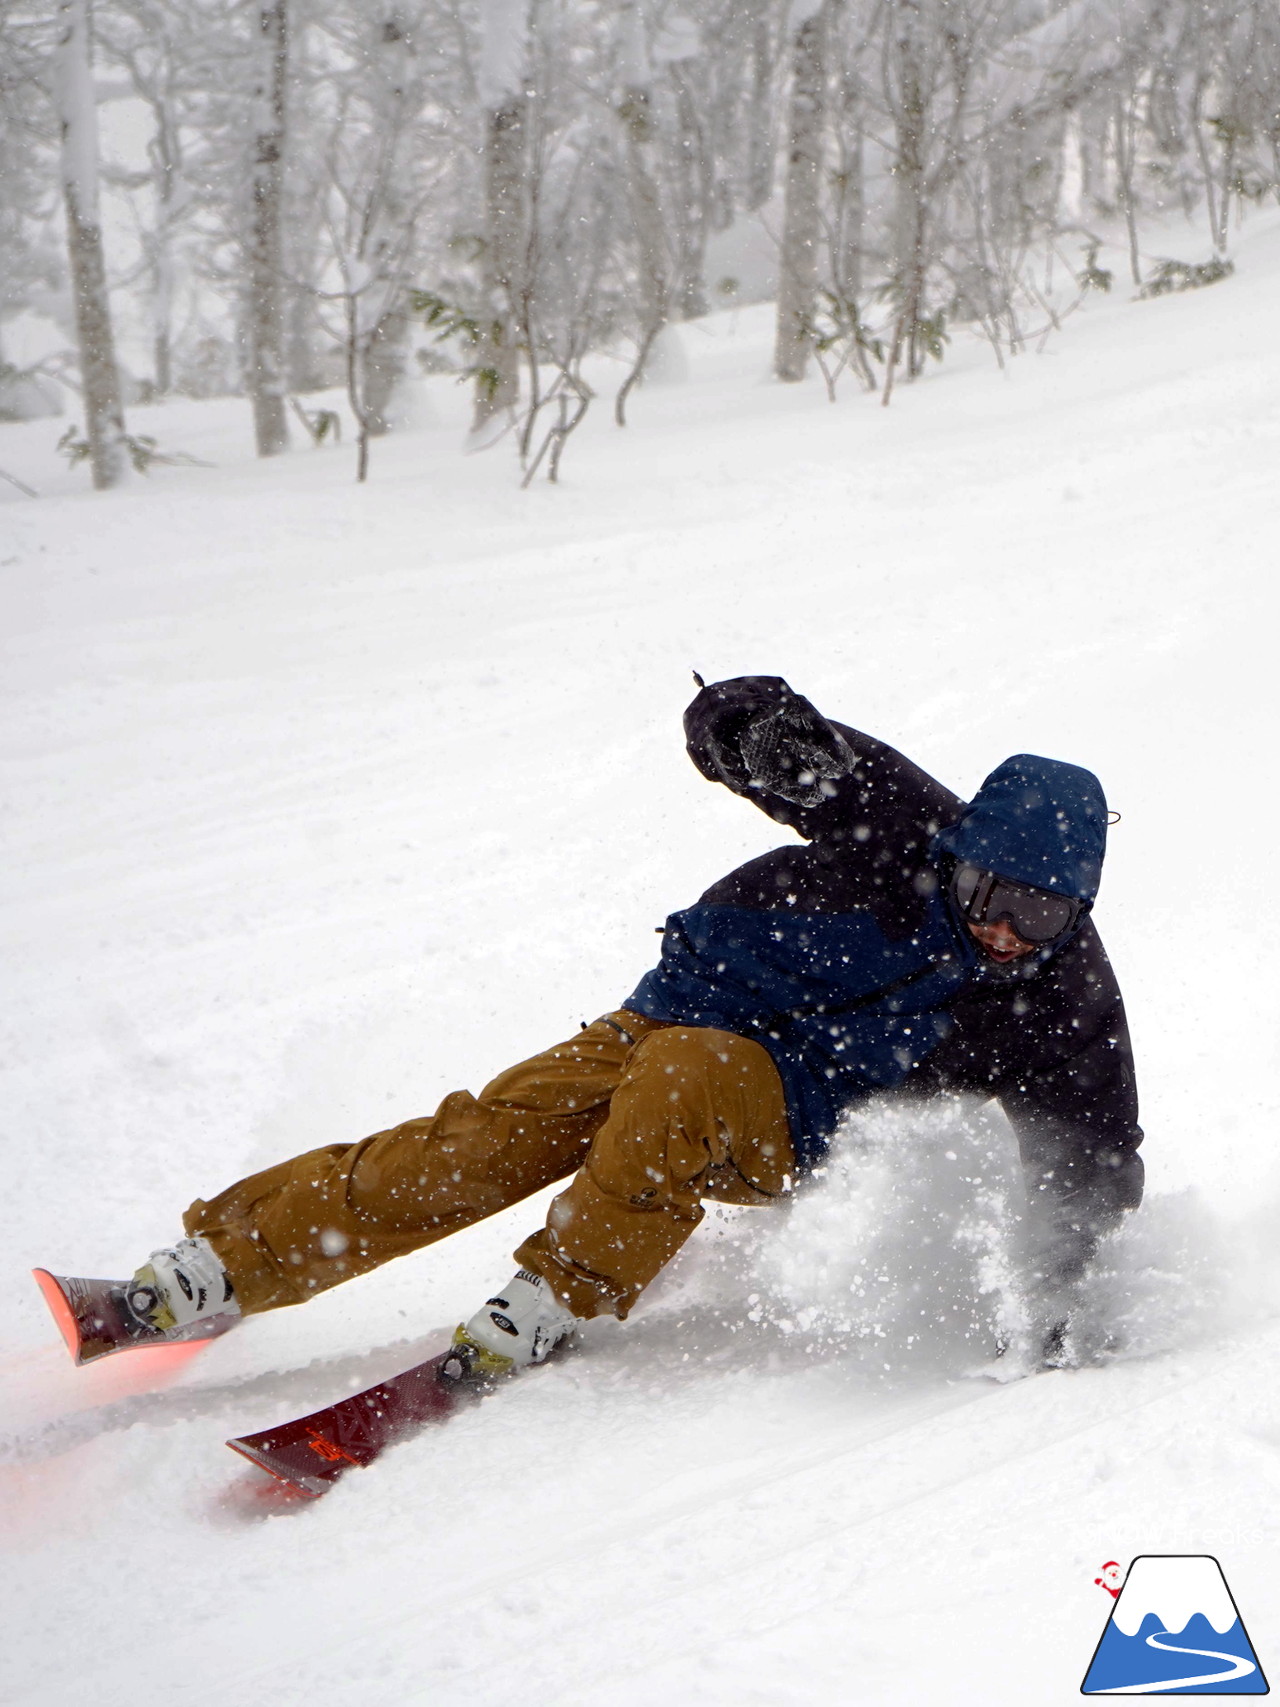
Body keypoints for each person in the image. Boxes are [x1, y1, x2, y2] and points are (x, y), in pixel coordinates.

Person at [118, 676, 1143, 1375]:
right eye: (989, 892)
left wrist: (1070, 1294)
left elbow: (1094, 1151)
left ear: (1075, 913)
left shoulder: (1059, 1001)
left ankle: (560, 1297)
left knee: (683, 1080)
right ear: (957, 851)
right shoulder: (902, 825)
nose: (1006, 929)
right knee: (490, 1136)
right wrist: (747, 725)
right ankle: (230, 1260)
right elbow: (790, 750)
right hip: (672, 1009)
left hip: (790, 1111)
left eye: (1042, 913)